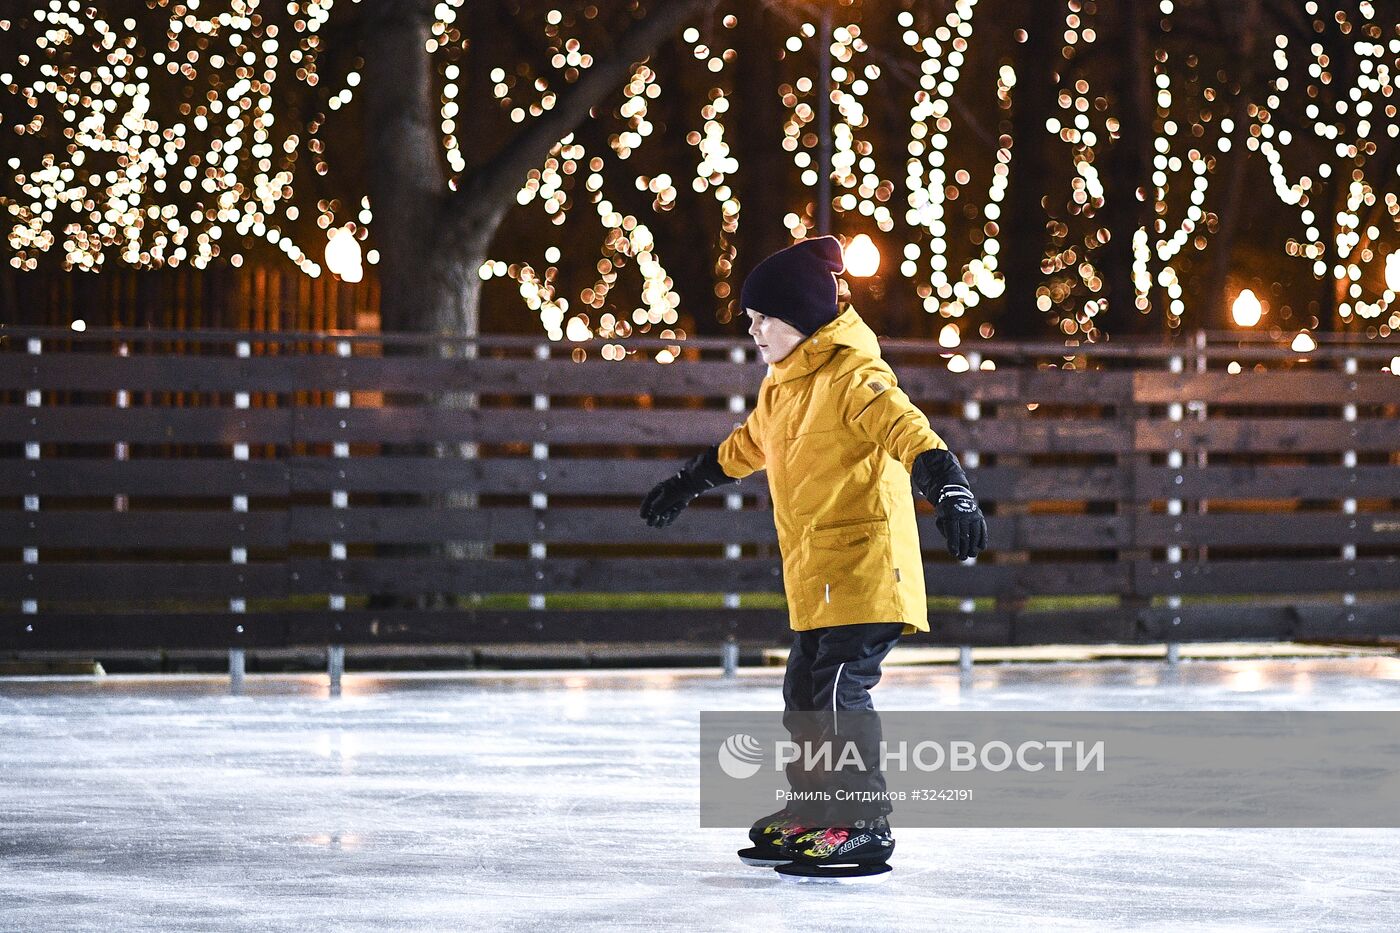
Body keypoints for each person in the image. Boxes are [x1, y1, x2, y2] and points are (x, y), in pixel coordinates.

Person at [639, 236, 987, 883]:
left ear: (799, 317)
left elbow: (911, 434)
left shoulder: (856, 376)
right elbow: (746, 446)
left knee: (835, 692)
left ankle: (862, 822)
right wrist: (688, 480)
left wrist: (953, 489)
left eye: (763, 319)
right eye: (749, 321)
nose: (754, 331)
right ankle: (817, 807)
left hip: (867, 570)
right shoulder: (783, 388)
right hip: (819, 578)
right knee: (802, 692)